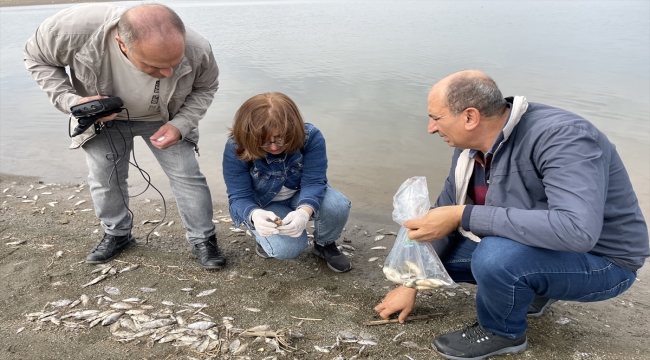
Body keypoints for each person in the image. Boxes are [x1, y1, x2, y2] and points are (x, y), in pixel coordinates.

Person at [374, 70, 649, 359]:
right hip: (544, 247)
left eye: (436, 118)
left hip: (604, 262)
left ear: (470, 117)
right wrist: (411, 283)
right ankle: (533, 291)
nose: (431, 128)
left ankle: (502, 333)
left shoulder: (563, 137)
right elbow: (443, 216)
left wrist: (464, 215)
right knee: (434, 255)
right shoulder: (470, 148)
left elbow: (576, 230)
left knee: (495, 256)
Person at [24, 3, 226, 270]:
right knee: (104, 177)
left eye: (173, 64)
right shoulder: (69, 31)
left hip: (166, 118)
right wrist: (73, 102)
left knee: (188, 175)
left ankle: (204, 240)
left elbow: (206, 86)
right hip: (102, 120)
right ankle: (116, 234)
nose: (167, 73)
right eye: (155, 66)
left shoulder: (197, 47)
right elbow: (36, 58)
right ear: (122, 44)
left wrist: (182, 124)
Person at [222, 92, 352, 272]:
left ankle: (324, 244)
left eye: (280, 138)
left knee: (337, 205)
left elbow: (314, 181)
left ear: (293, 128)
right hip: (264, 205)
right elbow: (238, 196)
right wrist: (255, 215)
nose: (274, 147)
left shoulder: (310, 137)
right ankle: (263, 237)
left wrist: (304, 213)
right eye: (264, 142)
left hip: (300, 193)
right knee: (286, 249)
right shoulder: (236, 146)